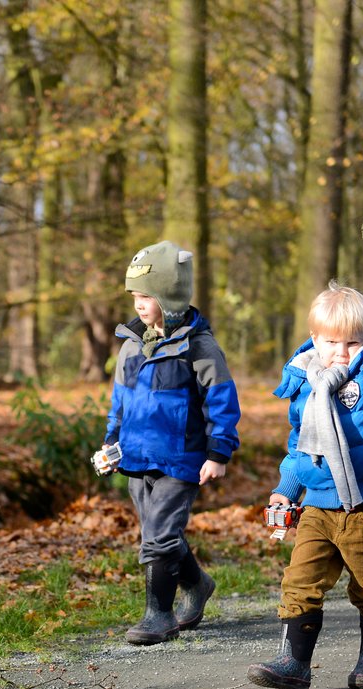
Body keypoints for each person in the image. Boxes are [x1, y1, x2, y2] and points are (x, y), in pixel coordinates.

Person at [247, 282, 363, 689]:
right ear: (314, 339)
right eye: (331, 342)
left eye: (353, 342)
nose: (342, 352)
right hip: (319, 506)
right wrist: (286, 488)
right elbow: (299, 446)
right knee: (300, 578)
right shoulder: (306, 382)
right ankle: (294, 663)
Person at [101, 240, 241, 646]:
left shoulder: (198, 347)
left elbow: (222, 402)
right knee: (158, 532)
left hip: (181, 460)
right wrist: (112, 440)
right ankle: (197, 586)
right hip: (137, 456)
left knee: (159, 536)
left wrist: (219, 452)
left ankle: (158, 615)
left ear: (170, 295)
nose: (139, 304)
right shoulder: (130, 344)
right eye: (135, 296)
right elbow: (120, 401)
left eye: (147, 295)